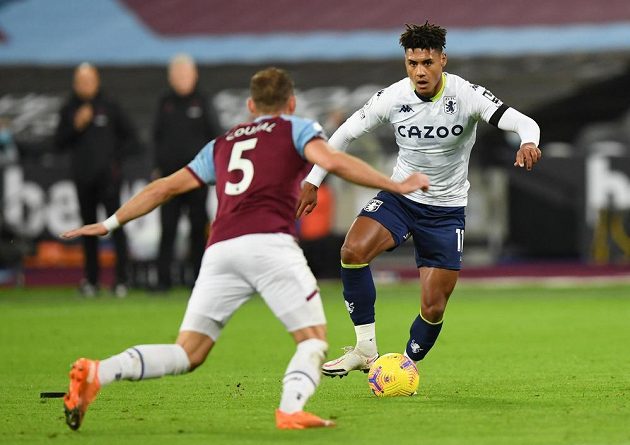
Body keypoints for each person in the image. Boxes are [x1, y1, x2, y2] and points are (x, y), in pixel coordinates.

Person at [59, 67, 429, 431]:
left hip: (220, 250)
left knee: (188, 352)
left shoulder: (222, 143)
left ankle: (97, 372)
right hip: (270, 245)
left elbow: (165, 187)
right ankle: (290, 410)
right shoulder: (296, 128)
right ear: (292, 102)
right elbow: (332, 160)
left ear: (251, 105)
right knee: (312, 341)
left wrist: (109, 223)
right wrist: (392, 185)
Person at [297, 22, 542, 377]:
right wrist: (313, 179)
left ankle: (405, 365)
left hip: (445, 212)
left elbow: (522, 121)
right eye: (413, 64)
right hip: (401, 198)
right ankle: (365, 349)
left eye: (427, 62)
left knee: (433, 307)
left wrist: (528, 141)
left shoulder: (466, 94)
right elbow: (344, 134)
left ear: (442, 59)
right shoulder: (393, 97)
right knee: (352, 251)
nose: (420, 71)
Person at [55, 63, 136, 298]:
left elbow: (132, 140)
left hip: (109, 179)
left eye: (89, 81)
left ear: (97, 81)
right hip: (83, 179)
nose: (85, 85)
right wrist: (75, 126)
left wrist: (113, 160)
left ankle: (122, 279)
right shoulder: (69, 108)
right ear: (75, 84)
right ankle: (91, 280)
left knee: (117, 226)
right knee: (87, 229)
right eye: (81, 81)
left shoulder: (110, 106)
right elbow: (58, 143)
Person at [152, 54, 223, 291]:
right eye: (178, 75)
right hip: (170, 178)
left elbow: (217, 137)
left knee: (197, 229)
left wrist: (215, 168)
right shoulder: (164, 102)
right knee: (168, 229)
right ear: (171, 78)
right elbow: (156, 138)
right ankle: (163, 281)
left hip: (196, 179)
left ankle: (198, 280)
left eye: (185, 74)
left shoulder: (202, 101)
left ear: (195, 75)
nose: (182, 79)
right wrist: (156, 167)